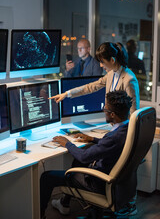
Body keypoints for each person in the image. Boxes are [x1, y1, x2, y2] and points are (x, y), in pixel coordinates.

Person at [40, 90, 137, 218]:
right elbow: (112, 145)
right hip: (120, 181)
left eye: (105, 108)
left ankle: (40, 215)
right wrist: (92, 139)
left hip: (99, 182)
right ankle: (66, 204)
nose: (103, 110)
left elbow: (84, 156)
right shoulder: (128, 128)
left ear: (112, 114)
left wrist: (67, 143)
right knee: (77, 163)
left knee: (47, 177)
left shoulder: (113, 137)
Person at [49, 42, 140, 115]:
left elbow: (133, 113)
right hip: (113, 125)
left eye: (102, 62)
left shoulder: (129, 79)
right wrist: (66, 94)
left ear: (112, 60)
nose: (100, 65)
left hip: (123, 130)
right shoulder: (111, 74)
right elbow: (90, 87)